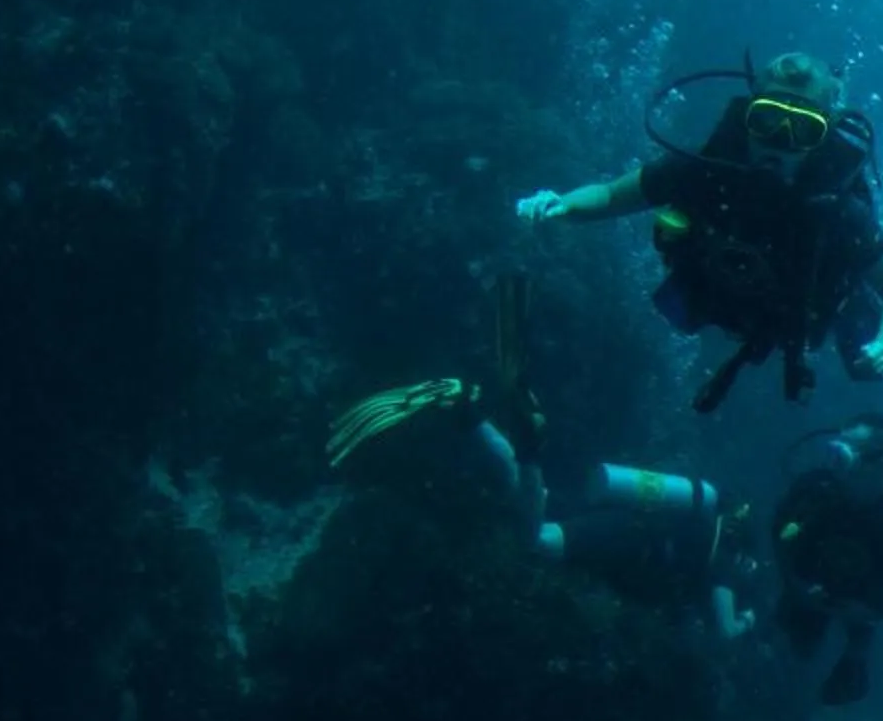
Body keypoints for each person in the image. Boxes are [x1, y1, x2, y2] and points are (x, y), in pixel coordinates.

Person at [326, 274, 767, 641]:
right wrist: (746, 622)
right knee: (535, 541)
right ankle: (516, 437)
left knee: (525, 501)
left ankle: (470, 410)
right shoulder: (727, 568)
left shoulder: (709, 530)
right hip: (627, 539)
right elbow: (726, 631)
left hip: (622, 520)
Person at [514, 52, 883, 413]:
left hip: (797, 313)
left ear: (822, 134)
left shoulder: (838, 209)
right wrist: (563, 204)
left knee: (851, 307)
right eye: (767, 119)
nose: (780, 142)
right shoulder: (704, 170)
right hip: (716, 296)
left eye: (802, 129)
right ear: (747, 116)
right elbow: (609, 196)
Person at [768, 414, 883, 707]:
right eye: (836, 448)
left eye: (848, 452)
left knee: (850, 669)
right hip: (810, 583)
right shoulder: (816, 489)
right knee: (790, 650)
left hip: (867, 597)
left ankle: (852, 662)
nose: (837, 460)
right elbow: (779, 533)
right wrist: (796, 586)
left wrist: (877, 609)